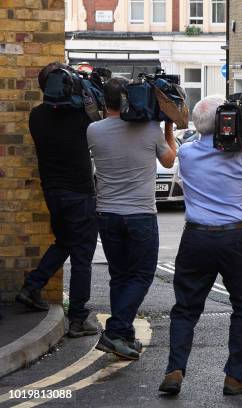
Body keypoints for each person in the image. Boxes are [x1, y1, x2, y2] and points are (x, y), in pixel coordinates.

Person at [158, 96, 242, 396]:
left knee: (185, 308)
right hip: (235, 239)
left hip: (196, 238)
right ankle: (235, 377)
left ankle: (175, 369)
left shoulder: (187, 154)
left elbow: (178, 151)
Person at [88, 77, 177, 360]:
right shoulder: (150, 130)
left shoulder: (93, 130)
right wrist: (169, 128)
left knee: (120, 276)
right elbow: (169, 161)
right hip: (140, 214)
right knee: (142, 274)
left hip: (107, 214)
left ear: (105, 102)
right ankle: (115, 330)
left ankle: (124, 337)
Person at [16, 62, 99, 338]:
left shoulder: (36, 117)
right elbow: (99, 118)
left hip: (53, 194)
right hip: (80, 195)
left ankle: (32, 286)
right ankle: (77, 319)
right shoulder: (81, 117)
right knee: (82, 258)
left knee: (64, 241)